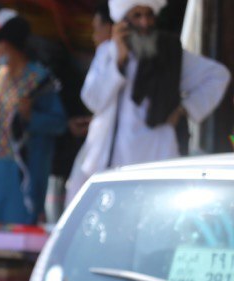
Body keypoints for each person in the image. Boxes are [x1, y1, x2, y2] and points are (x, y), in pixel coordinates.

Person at [68, 0, 230, 199]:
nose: (144, 22)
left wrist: (185, 109)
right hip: (110, 160)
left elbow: (218, 76)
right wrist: (119, 60)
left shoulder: (170, 53)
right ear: (122, 21)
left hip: (156, 152)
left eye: (149, 15)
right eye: (137, 15)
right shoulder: (107, 53)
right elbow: (93, 100)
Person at [0, 10, 66, 225]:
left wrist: (31, 116)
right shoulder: (1, 75)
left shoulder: (40, 80)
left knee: (18, 231)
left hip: (22, 174)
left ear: (11, 44)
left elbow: (58, 123)